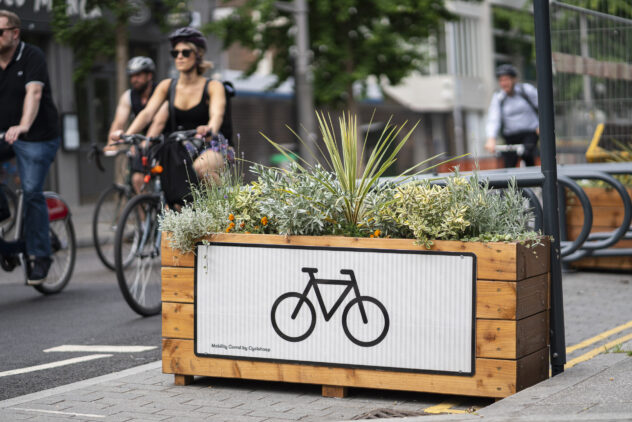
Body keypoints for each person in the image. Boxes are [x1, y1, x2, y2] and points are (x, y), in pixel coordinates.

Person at [113, 27, 231, 187]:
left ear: (198, 55)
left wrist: (209, 129)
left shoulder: (213, 86)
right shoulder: (167, 85)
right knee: (163, 185)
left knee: (202, 168)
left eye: (186, 52)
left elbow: (217, 115)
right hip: (179, 148)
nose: (180, 57)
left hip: (210, 145)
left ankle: (223, 209)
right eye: (176, 53)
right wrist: (127, 134)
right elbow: (147, 113)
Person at [0, 10, 59, 282]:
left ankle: (40, 254)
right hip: (4, 135)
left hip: (37, 136)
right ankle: (3, 216)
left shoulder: (32, 55)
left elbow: (33, 93)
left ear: (15, 33)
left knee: (32, 190)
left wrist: (23, 125)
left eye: (0, 32)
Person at [106, 56, 163, 194]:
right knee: (137, 179)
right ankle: (145, 214)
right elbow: (119, 121)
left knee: (165, 183)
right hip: (144, 142)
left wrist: (143, 144)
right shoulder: (128, 96)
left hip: (162, 139)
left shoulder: (160, 92)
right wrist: (110, 144)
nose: (134, 79)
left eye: (138, 75)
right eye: (132, 76)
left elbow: (158, 122)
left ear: (149, 75)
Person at [485, 64, 540, 167]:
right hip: (511, 136)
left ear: (514, 79)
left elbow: (544, 106)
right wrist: (491, 138)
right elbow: (494, 118)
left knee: (528, 156)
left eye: (506, 80)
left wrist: (542, 125)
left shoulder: (526, 90)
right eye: (501, 80)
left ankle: (533, 181)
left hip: (529, 133)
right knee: (508, 164)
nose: (504, 83)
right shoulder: (499, 97)